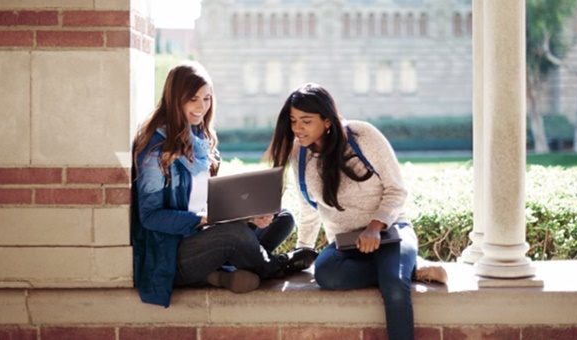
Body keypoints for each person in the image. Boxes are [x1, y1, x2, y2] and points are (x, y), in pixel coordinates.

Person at [268, 83, 447, 340]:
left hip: (390, 233)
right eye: (294, 120)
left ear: (327, 121)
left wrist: (375, 227)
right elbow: (310, 207)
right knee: (326, 273)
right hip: (346, 244)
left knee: (394, 287)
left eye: (306, 121)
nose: (297, 128)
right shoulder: (300, 156)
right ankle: (412, 271)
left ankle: (396, 271)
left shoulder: (362, 136)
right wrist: (303, 248)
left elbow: (397, 190)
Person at [131, 61, 316, 308]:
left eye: (207, 98)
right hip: (173, 253)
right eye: (193, 99)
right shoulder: (156, 152)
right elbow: (151, 217)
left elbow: (212, 202)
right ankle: (276, 266)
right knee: (233, 235)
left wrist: (248, 215)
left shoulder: (201, 138)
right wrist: (204, 220)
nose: (201, 107)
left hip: (206, 235)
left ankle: (222, 273)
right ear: (175, 99)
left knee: (282, 217)